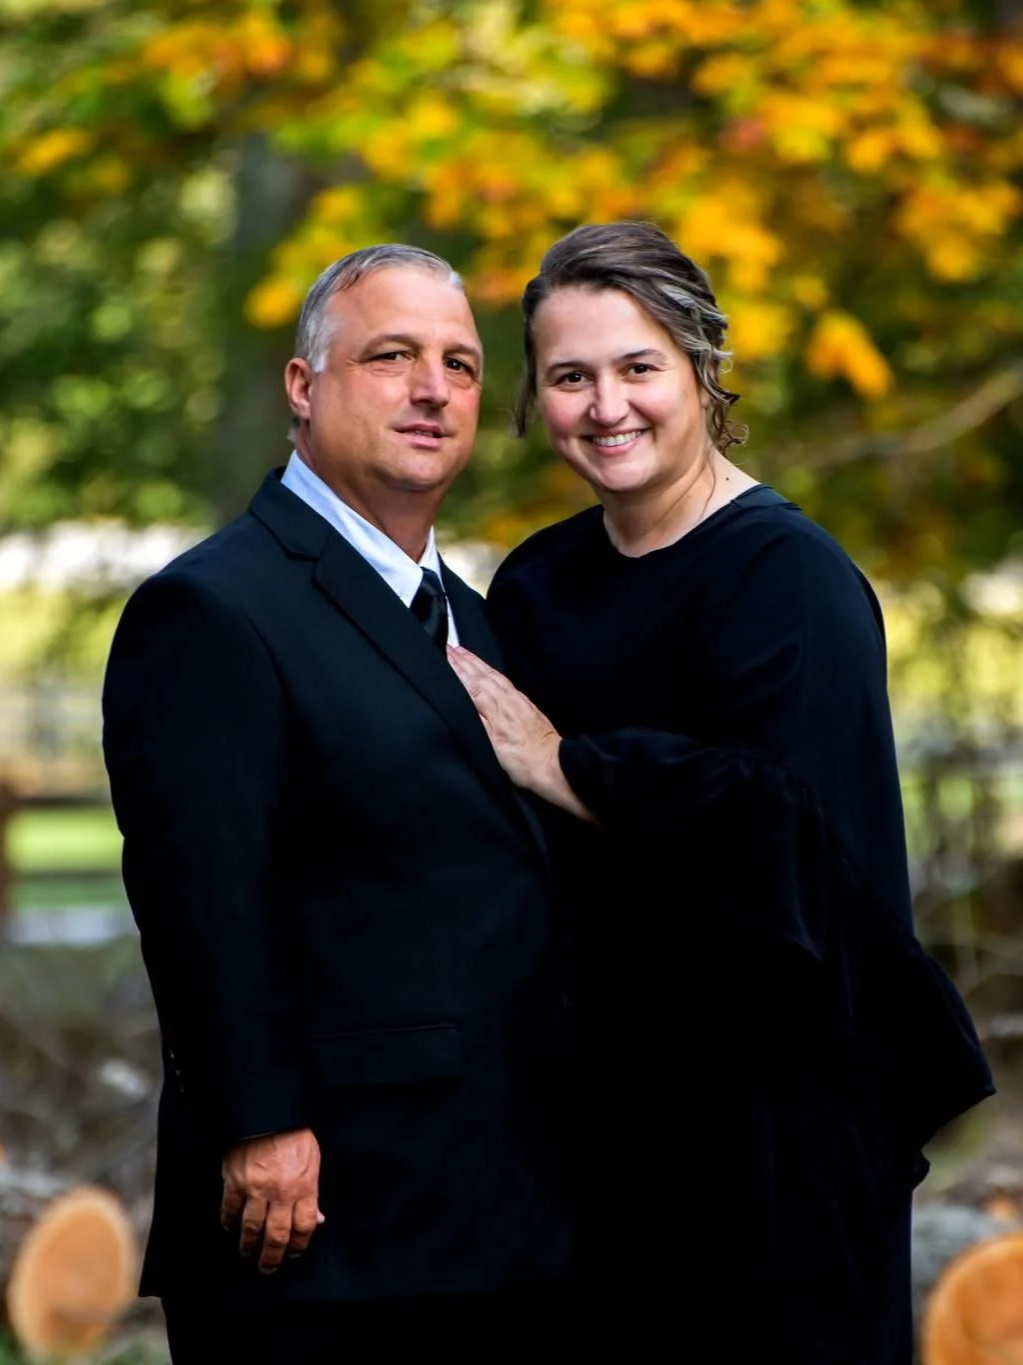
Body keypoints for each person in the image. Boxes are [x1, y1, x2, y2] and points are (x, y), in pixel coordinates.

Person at [447, 221, 994, 1362]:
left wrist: (568, 763)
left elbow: (784, 830)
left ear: (701, 371)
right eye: (570, 377)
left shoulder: (787, 576)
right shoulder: (540, 581)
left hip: (774, 1124)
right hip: (596, 1112)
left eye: (638, 367)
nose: (607, 407)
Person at [102, 245, 572, 1363]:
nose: (433, 390)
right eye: (392, 356)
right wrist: (259, 1121)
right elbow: (203, 895)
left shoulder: (475, 619)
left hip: (494, 1212)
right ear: (303, 387)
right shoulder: (212, 609)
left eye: (461, 365)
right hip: (319, 1223)